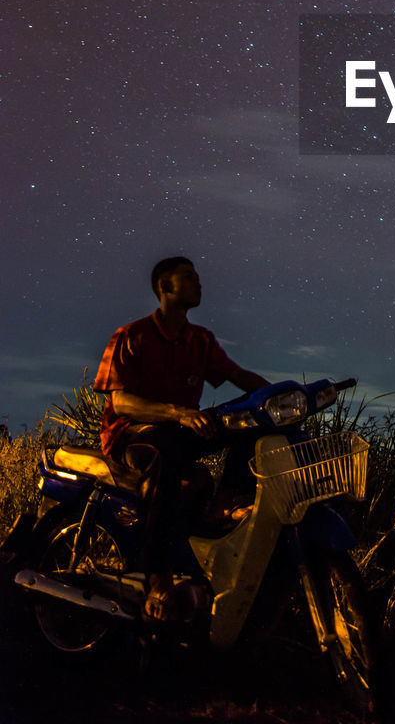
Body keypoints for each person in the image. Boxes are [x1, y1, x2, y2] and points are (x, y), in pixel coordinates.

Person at [94, 256, 269, 622]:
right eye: (188, 278)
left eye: (198, 277)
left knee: (248, 421)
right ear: (164, 287)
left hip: (179, 430)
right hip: (132, 435)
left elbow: (235, 374)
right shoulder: (132, 335)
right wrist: (179, 413)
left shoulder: (200, 340)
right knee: (166, 450)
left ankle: (222, 501)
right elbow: (120, 401)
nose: (199, 283)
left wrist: (283, 395)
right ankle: (157, 576)